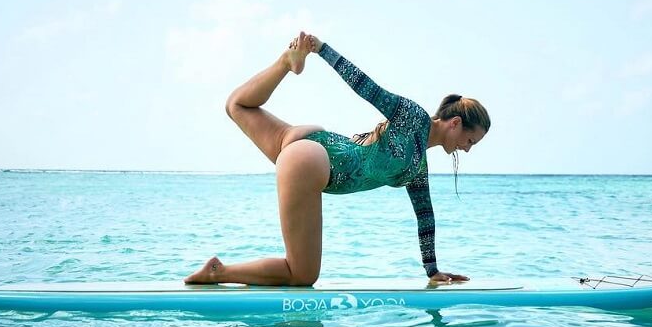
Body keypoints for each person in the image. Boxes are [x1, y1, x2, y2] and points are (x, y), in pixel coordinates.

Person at [185, 32, 490, 287]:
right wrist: (321, 50)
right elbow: (366, 87)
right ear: (455, 123)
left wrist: (432, 270)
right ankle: (219, 272)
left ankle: (284, 63)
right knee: (302, 275)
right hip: (313, 162)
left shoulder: (418, 166)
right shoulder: (413, 118)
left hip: (314, 142)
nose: (467, 149)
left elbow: (425, 218)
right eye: (470, 140)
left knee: (237, 106)